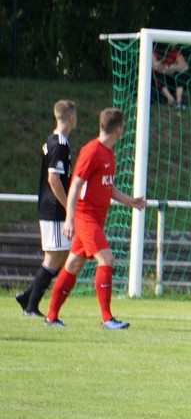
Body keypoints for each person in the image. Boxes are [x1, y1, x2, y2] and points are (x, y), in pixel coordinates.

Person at [44, 108, 146, 329]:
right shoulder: (91, 151)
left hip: (96, 218)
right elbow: (76, 185)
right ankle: (107, 318)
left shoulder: (108, 153)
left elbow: (107, 187)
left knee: (73, 264)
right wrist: (70, 218)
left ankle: (51, 316)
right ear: (118, 129)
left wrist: (131, 201)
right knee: (106, 259)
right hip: (85, 216)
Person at [16, 100, 77, 317]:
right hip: (54, 210)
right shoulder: (59, 144)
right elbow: (53, 180)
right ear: (70, 118)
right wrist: (68, 208)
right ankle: (31, 306)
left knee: (59, 257)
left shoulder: (54, 141)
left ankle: (28, 297)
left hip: (51, 209)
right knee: (54, 259)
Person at [151, 44, 188, 109]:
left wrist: (171, 67)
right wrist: (166, 69)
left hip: (171, 79)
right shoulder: (154, 51)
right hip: (158, 84)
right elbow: (156, 66)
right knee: (156, 74)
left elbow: (185, 66)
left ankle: (179, 100)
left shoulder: (175, 51)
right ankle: (171, 100)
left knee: (181, 73)